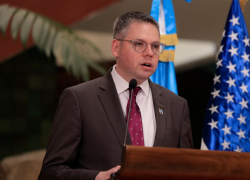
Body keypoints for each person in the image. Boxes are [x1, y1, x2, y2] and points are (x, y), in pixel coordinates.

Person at [38, 11, 193, 180]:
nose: (149, 53)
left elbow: (188, 170)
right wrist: (97, 178)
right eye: (139, 44)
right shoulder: (79, 99)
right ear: (116, 48)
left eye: (155, 46)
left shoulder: (176, 105)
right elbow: (50, 172)